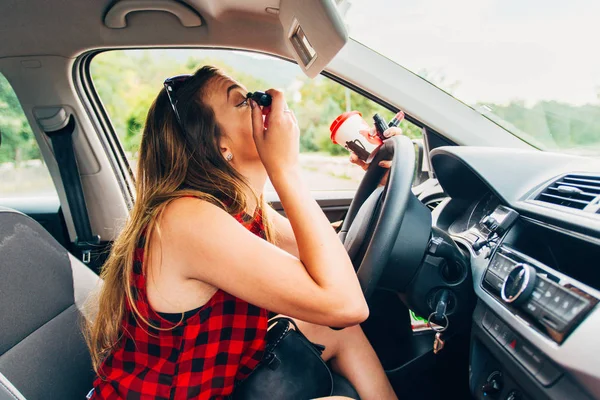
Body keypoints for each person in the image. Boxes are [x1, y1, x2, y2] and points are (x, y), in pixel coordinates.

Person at [85, 65, 401, 400]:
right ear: (221, 147)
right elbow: (346, 303)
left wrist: (377, 184)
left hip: (214, 384)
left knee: (338, 330)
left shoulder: (239, 209)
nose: (262, 106)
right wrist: (285, 170)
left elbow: (331, 258)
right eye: (242, 102)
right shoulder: (189, 219)